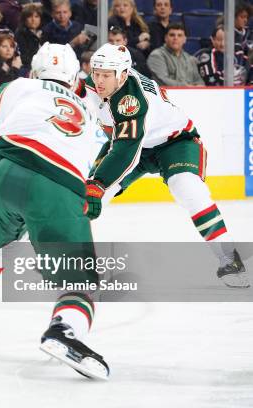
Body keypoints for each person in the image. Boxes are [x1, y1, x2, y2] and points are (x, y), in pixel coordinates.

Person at [0, 43, 110, 380]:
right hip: (56, 183)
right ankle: (65, 331)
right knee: (80, 277)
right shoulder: (87, 109)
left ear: (34, 70)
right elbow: (88, 169)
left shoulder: (18, 86)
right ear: (75, 79)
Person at [83, 43, 248, 288]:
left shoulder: (132, 99)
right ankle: (73, 262)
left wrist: (98, 183)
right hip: (130, 142)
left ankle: (229, 257)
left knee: (188, 188)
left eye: (106, 75)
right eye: (96, 73)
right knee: (85, 200)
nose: (99, 80)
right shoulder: (92, 83)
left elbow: (126, 150)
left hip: (175, 141)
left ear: (124, 74)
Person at [14, 2, 44, 70]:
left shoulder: (44, 32)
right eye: (30, 16)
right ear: (24, 19)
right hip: (27, 68)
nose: (33, 20)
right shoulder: (20, 34)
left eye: (36, 16)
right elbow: (24, 57)